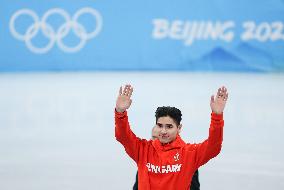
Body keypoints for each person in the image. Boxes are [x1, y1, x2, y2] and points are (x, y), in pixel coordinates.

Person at [115, 84, 228, 190]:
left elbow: (214, 146)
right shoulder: (143, 150)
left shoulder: (189, 153)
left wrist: (217, 116)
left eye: (169, 127)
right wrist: (120, 112)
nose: (163, 131)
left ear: (179, 128)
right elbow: (123, 136)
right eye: (160, 126)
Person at [133, 127, 200, 190]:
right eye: (153, 138)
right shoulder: (145, 163)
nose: (155, 142)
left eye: (159, 138)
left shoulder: (187, 160)